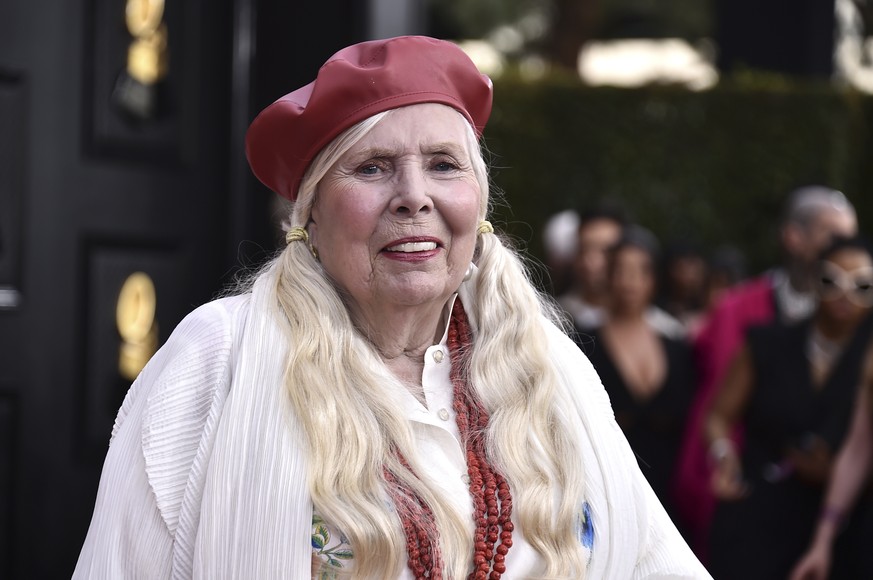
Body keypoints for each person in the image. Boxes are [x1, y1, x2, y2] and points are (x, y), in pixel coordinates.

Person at [72, 36, 710, 579]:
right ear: (311, 217)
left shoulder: (549, 369)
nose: (414, 196)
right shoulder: (215, 359)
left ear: (478, 205)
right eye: (373, 168)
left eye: (443, 165)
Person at [673, 187, 858, 554]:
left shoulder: (858, 324)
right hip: (746, 503)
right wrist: (719, 463)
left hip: (834, 517)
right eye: (834, 235)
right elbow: (712, 410)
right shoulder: (736, 310)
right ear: (793, 236)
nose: (846, 248)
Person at [704, 236, 873, 580]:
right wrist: (724, 455)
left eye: (862, 285)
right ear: (813, 280)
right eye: (831, 280)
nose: (845, 295)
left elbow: (857, 450)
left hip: (844, 528)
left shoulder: (868, 358)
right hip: (761, 510)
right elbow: (718, 416)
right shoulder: (768, 343)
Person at [577, 227, 695, 532]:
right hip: (607, 496)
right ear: (609, 277)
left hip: (671, 499)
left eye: (640, 271)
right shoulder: (583, 344)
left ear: (653, 279)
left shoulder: (677, 347)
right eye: (621, 271)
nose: (630, 282)